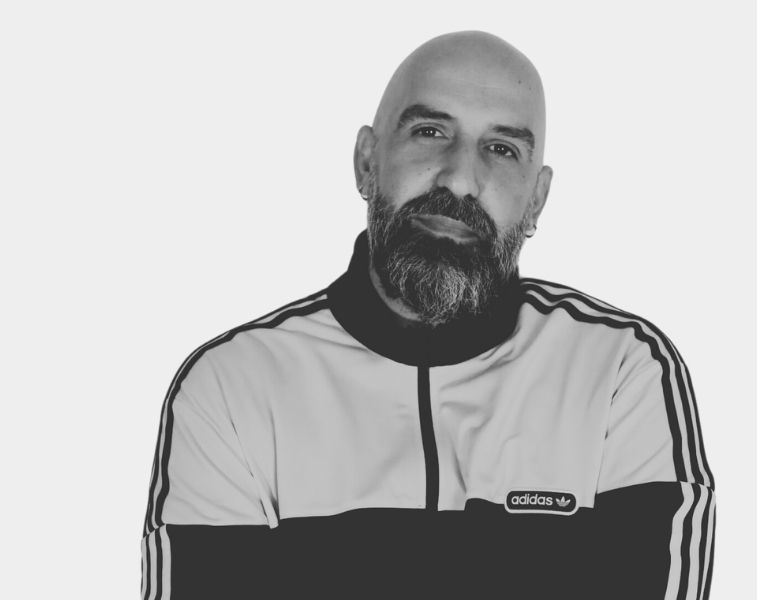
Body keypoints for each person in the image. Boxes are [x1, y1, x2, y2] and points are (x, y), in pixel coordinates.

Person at [140, 30, 716, 599]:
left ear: (537, 199)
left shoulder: (620, 372)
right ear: (367, 162)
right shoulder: (232, 389)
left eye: (502, 149)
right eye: (430, 132)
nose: (460, 178)